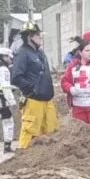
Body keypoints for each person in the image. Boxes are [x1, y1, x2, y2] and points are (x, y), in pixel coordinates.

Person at [11, 22, 57, 150]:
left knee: (51, 132)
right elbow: (16, 78)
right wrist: (32, 88)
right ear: (29, 36)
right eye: (37, 34)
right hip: (33, 101)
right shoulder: (22, 53)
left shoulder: (40, 53)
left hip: (47, 100)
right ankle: (24, 160)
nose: (40, 37)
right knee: (30, 134)